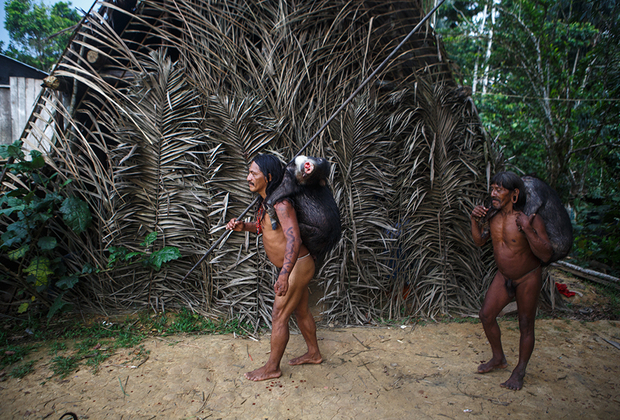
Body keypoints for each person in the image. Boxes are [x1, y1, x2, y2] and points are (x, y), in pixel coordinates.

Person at [226, 154, 323, 381]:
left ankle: (272, 368)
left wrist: (284, 274)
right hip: (294, 265)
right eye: (249, 172)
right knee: (300, 311)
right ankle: (314, 353)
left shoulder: (281, 204)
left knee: (279, 314)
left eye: (254, 174)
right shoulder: (267, 202)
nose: (248, 177)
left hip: (297, 265)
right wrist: (244, 227)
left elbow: (294, 240)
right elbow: (268, 230)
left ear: (268, 177)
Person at [470, 171, 553, 390]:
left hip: (527, 278)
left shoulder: (531, 219)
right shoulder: (493, 217)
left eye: (499, 189)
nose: (493, 193)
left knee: (526, 325)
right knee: (486, 315)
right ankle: (499, 358)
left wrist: (527, 228)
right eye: (492, 188)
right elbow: (479, 241)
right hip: (504, 276)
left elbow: (546, 254)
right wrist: (474, 219)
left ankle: (520, 371)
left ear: (514, 194)